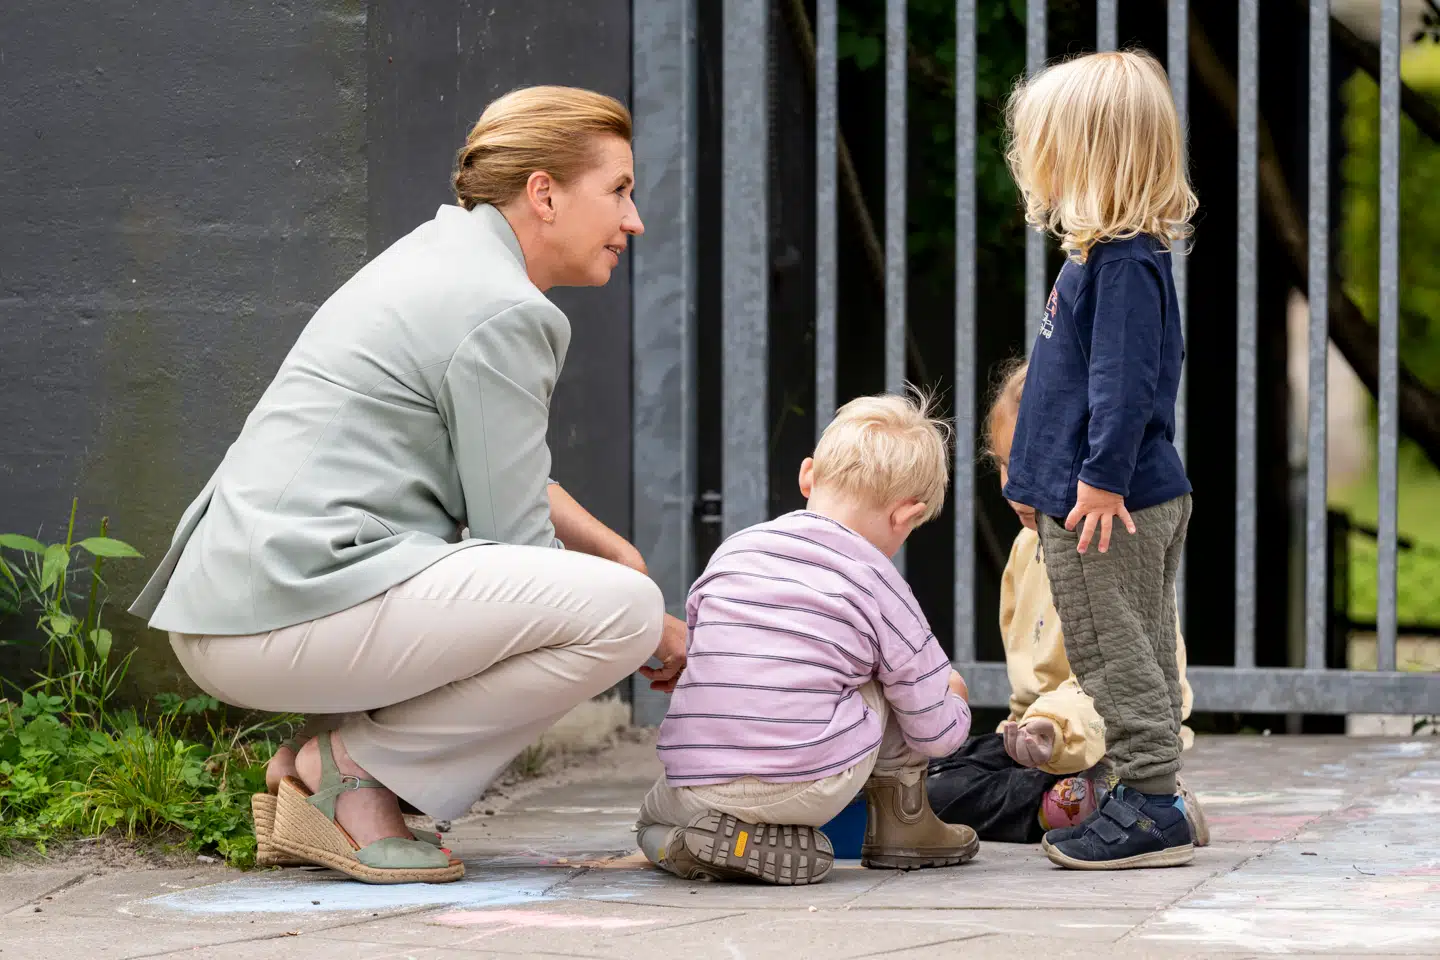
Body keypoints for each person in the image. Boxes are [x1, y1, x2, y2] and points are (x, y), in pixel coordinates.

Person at [127, 86, 687, 885]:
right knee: (620, 615)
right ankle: (349, 775)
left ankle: (339, 772)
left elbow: (506, 472)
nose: (633, 221)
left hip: (251, 603)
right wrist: (650, 623)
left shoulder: (443, 257)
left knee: (609, 591)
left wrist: (613, 551)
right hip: (287, 607)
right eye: (621, 191)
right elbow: (516, 542)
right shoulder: (503, 308)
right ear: (544, 193)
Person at [635, 391, 978, 885]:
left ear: (807, 475)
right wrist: (953, 695)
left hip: (695, 784)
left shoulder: (734, 553)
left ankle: (684, 844)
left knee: (648, 820)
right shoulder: (879, 583)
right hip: (805, 784)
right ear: (905, 517)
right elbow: (935, 733)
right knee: (900, 675)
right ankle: (903, 829)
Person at [1001, 49, 1199, 870]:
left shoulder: (1120, 264)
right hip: (1112, 496)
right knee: (1141, 644)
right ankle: (1151, 790)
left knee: (1111, 650)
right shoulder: (1113, 258)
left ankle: (1152, 805)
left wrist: (1095, 481)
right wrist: (1033, 481)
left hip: (1106, 506)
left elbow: (1123, 387)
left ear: (1086, 155)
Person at [926, 361, 1209, 848]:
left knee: (949, 793)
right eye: (1007, 465)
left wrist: (1053, 729)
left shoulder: (1108, 544)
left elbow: (1150, 685)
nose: (1017, 485)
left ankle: (1099, 801)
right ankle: (1067, 800)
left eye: (1035, 466)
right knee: (934, 776)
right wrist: (1020, 729)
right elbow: (1026, 668)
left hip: (1098, 742)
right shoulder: (1023, 548)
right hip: (1043, 744)